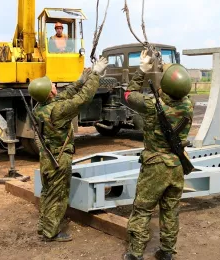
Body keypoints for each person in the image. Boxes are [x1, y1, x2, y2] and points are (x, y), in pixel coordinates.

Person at [122, 50, 193, 260]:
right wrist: (164, 67)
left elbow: (128, 94)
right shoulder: (188, 106)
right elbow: (179, 88)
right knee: (170, 210)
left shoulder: (152, 106)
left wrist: (143, 69)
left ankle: (135, 252)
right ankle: (167, 252)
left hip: (155, 166)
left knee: (142, 209)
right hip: (176, 165)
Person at [28, 57, 108, 242]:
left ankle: (44, 225)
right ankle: (51, 233)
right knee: (58, 195)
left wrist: (81, 80)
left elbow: (66, 95)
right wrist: (95, 75)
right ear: (49, 93)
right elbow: (83, 99)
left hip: (47, 157)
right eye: (52, 86)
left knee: (48, 192)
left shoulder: (41, 107)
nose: (55, 86)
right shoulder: (58, 111)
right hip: (59, 158)